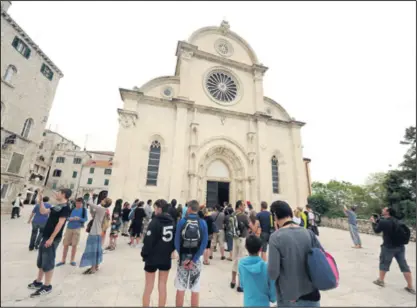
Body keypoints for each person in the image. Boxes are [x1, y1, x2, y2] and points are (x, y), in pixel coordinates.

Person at [268, 200, 321, 307]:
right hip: (312, 294)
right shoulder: (309, 233)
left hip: (290, 297)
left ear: (275, 216)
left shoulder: (276, 237)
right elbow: (321, 259)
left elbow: (273, 273)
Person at [27, 189, 72, 297]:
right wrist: (41, 199)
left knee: (48, 260)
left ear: (64, 194)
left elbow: (60, 224)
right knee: (41, 259)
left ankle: (47, 286)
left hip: (53, 238)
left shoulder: (66, 208)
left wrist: (51, 238)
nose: (56, 194)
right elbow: (43, 211)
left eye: (58, 192)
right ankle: (38, 281)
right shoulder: (55, 206)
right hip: (46, 235)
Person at [371, 207, 415, 294]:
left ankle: (380, 281)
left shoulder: (384, 222)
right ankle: (410, 286)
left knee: (384, 263)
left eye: (384, 209)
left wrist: (373, 222)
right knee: (404, 265)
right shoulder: (398, 220)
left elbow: (377, 230)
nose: (382, 210)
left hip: (388, 247)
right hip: (400, 247)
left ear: (387, 212)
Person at [141, 199, 175, 307]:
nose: (154, 210)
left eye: (155, 208)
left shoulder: (155, 221)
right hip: (165, 258)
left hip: (152, 258)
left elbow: (148, 241)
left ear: (159, 209)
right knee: (163, 285)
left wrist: (144, 254)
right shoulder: (172, 221)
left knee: (149, 286)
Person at [174, 200, 208, 308]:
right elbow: (204, 243)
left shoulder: (182, 221)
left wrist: (184, 258)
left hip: (183, 259)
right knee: (195, 288)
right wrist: (193, 259)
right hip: (196, 260)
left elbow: (176, 242)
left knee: (180, 288)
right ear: (198, 209)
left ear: (189, 208)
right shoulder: (203, 222)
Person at [238, 235, 276, 307]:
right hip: (263, 304)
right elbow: (273, 290)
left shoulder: (241, 264)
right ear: (260, 249)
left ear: (246, 247)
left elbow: (242, 285)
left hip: (248, 303)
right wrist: (273, 298)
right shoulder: (267, 267)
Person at [79, 194, 112, 275]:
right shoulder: (102, 209)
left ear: (105, 203)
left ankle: (93, 268)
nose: (101, 200)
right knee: (96, 250)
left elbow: (90, 204)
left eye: (103, 200)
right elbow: (92, 211)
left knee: (92, 250)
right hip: (97, 232)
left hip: (94, 232)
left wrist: (90, 196)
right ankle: (95, 266)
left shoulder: (101, 209)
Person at [56, 197, 88, 267]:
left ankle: (72, 260)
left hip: (77, 229)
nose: (78, 204)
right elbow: (66, 218)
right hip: (69, 228)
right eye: (77, 203)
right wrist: (69, 219)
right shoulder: (72, 210)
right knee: (65, 244)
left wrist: (79, 218)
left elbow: (85, 219)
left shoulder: (84, 210)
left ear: (82, 204)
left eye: (80, 203)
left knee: (74, 245)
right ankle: (63, 260)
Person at [229, 200, 249, 292]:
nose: (245, 207)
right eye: (244, 205)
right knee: (241, 260)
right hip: (242, 239)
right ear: (240, 206)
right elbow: (250, 226)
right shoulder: (243, 216)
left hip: (235, 238)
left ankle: (233, 280)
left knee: (235, 260)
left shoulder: (233, 214)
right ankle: (240, 284)